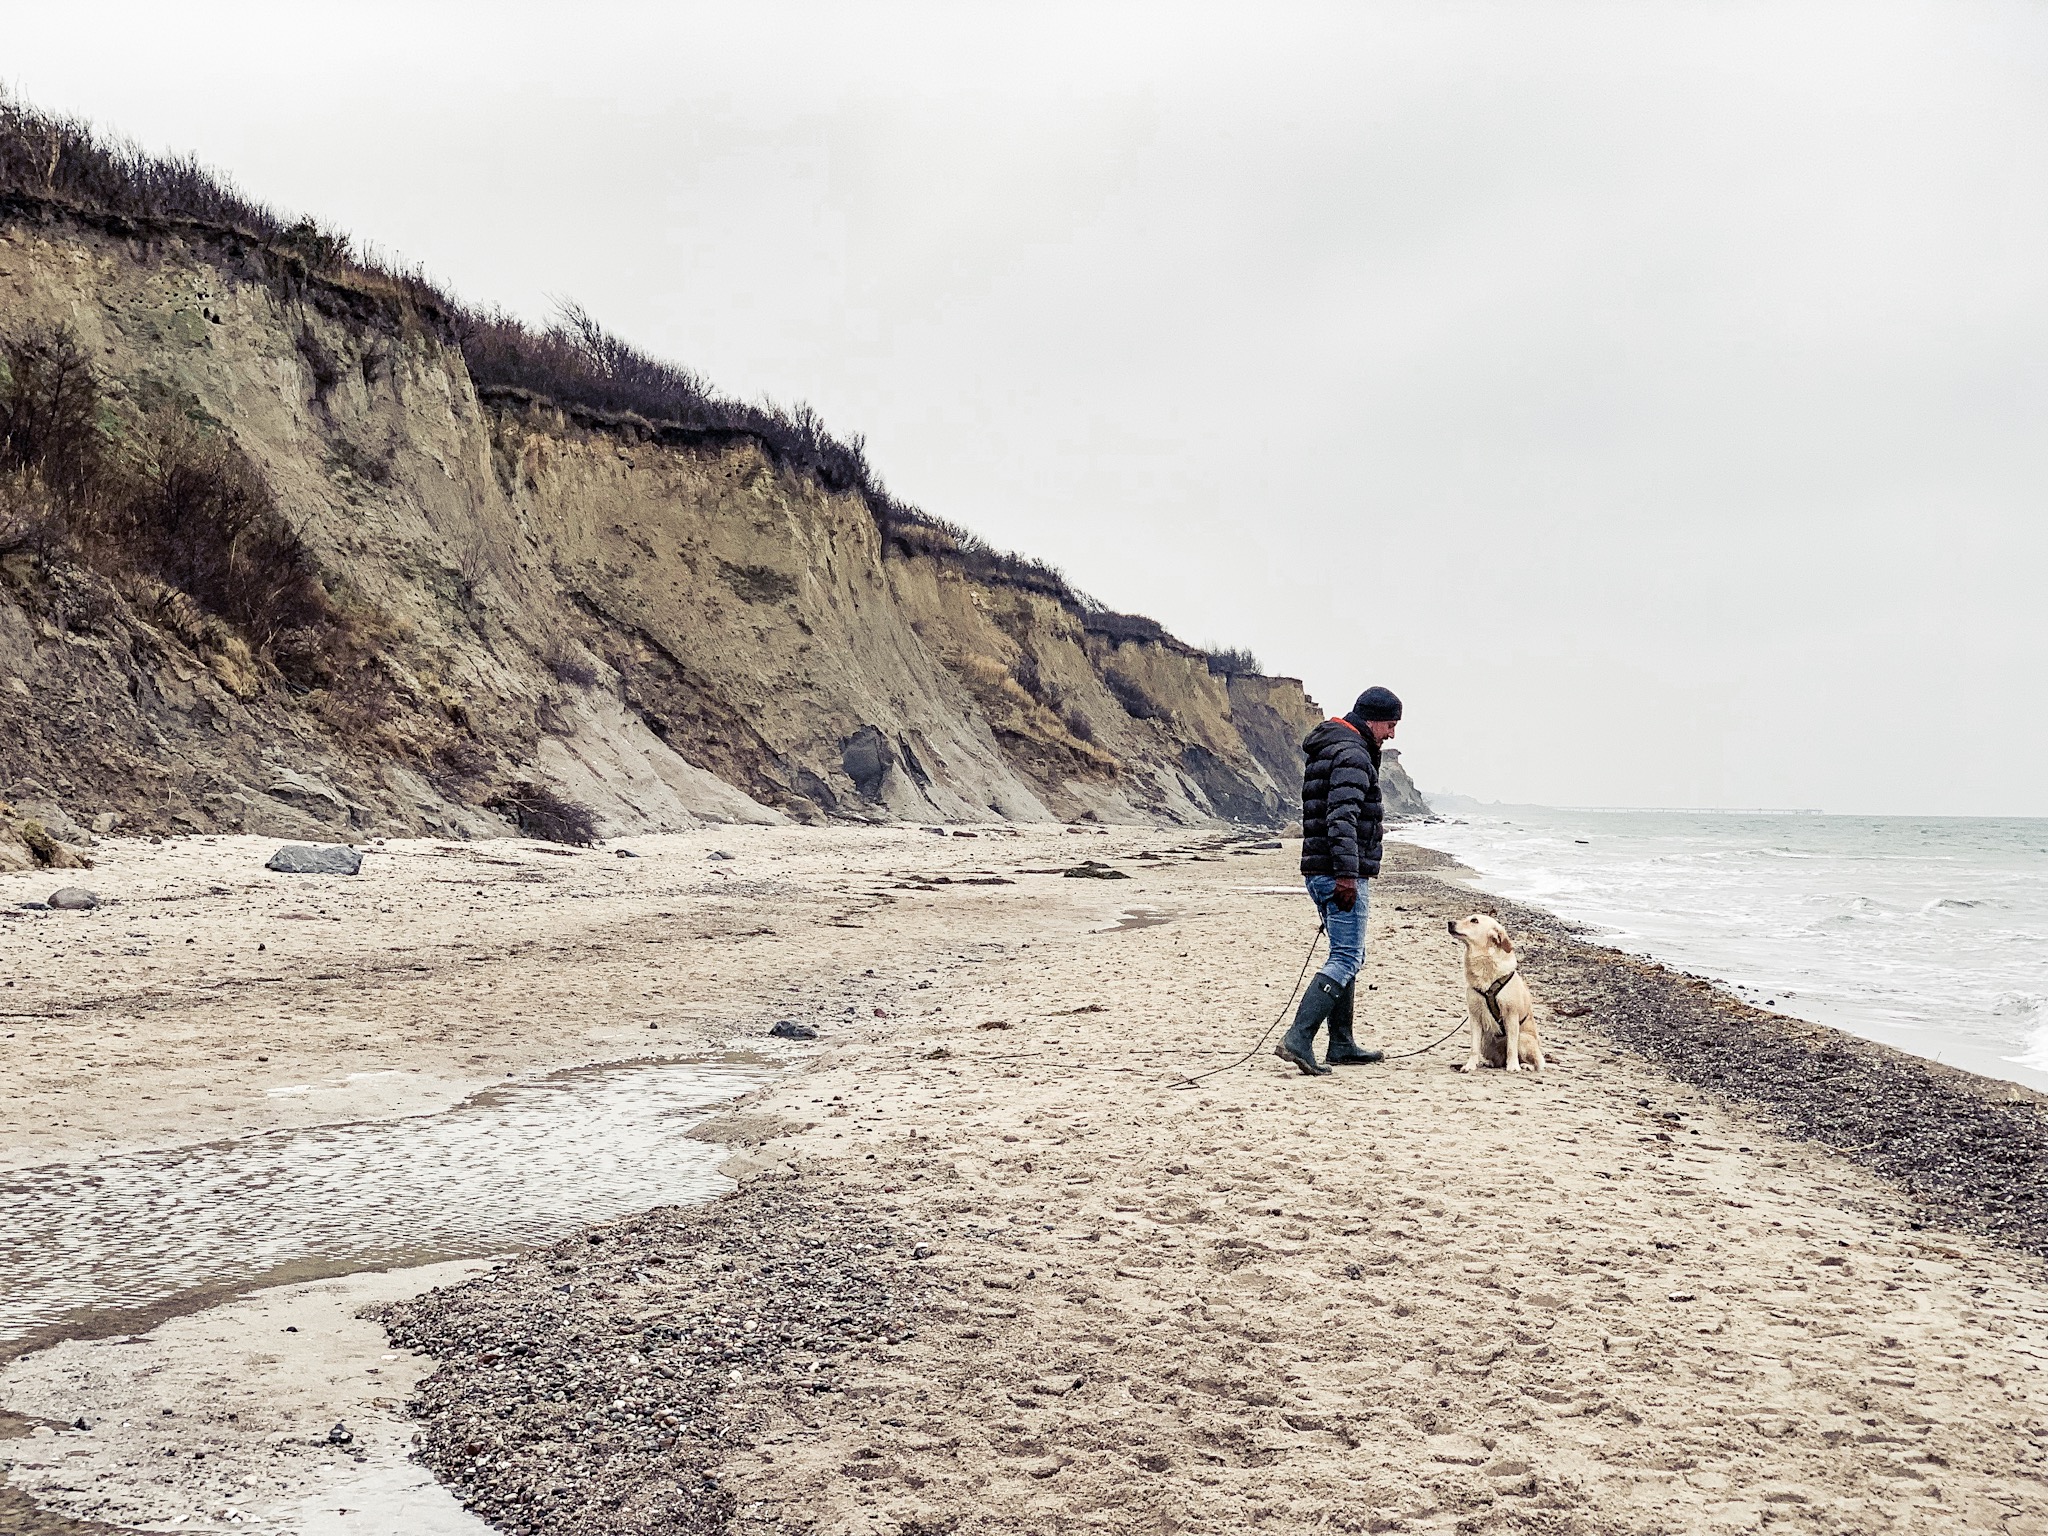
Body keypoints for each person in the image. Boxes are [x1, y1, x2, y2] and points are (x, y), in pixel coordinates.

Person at [1275, 686, 1401, 1075]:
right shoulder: (1352, 753)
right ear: (1374, 718)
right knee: (1346, 957)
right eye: (1391, 725)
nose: (1392, 735)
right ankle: (1298, 1038)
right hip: (1338, 872)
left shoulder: (1337, 746)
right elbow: (1341, 817)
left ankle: (1342, 1044)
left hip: (1322, 869)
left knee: (1346, 955)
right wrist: (1347, 875)